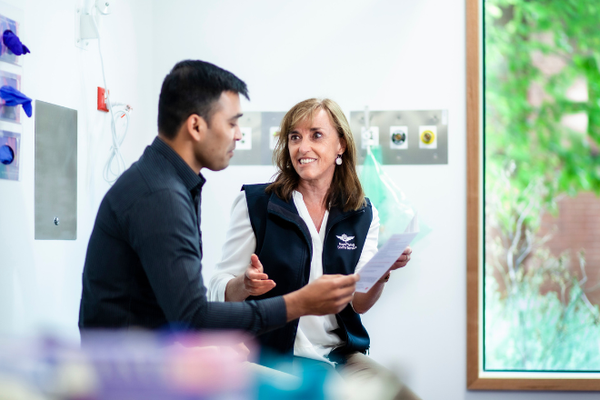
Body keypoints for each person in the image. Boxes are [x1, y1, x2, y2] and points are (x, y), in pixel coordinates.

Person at [78, 61, 360, 339]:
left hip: (151, 358)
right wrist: (300, 303)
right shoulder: (160, 197)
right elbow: (194, 317)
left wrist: (204, 352)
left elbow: (176, 312)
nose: (238, 134)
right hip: (125, 374)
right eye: (232, 123)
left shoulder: (164, 182)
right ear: (196, 126)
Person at [208, 98, 420, 400]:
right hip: (270, 355)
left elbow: (358, 302)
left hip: (338, 356)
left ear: (341, 146)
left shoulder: (362, 214)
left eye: (316, 135)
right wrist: (243, 284)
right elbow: (217, 289)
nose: (302, 147)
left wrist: (383, 272)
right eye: (295, 137)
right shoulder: (255, 204)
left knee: (402, 397)